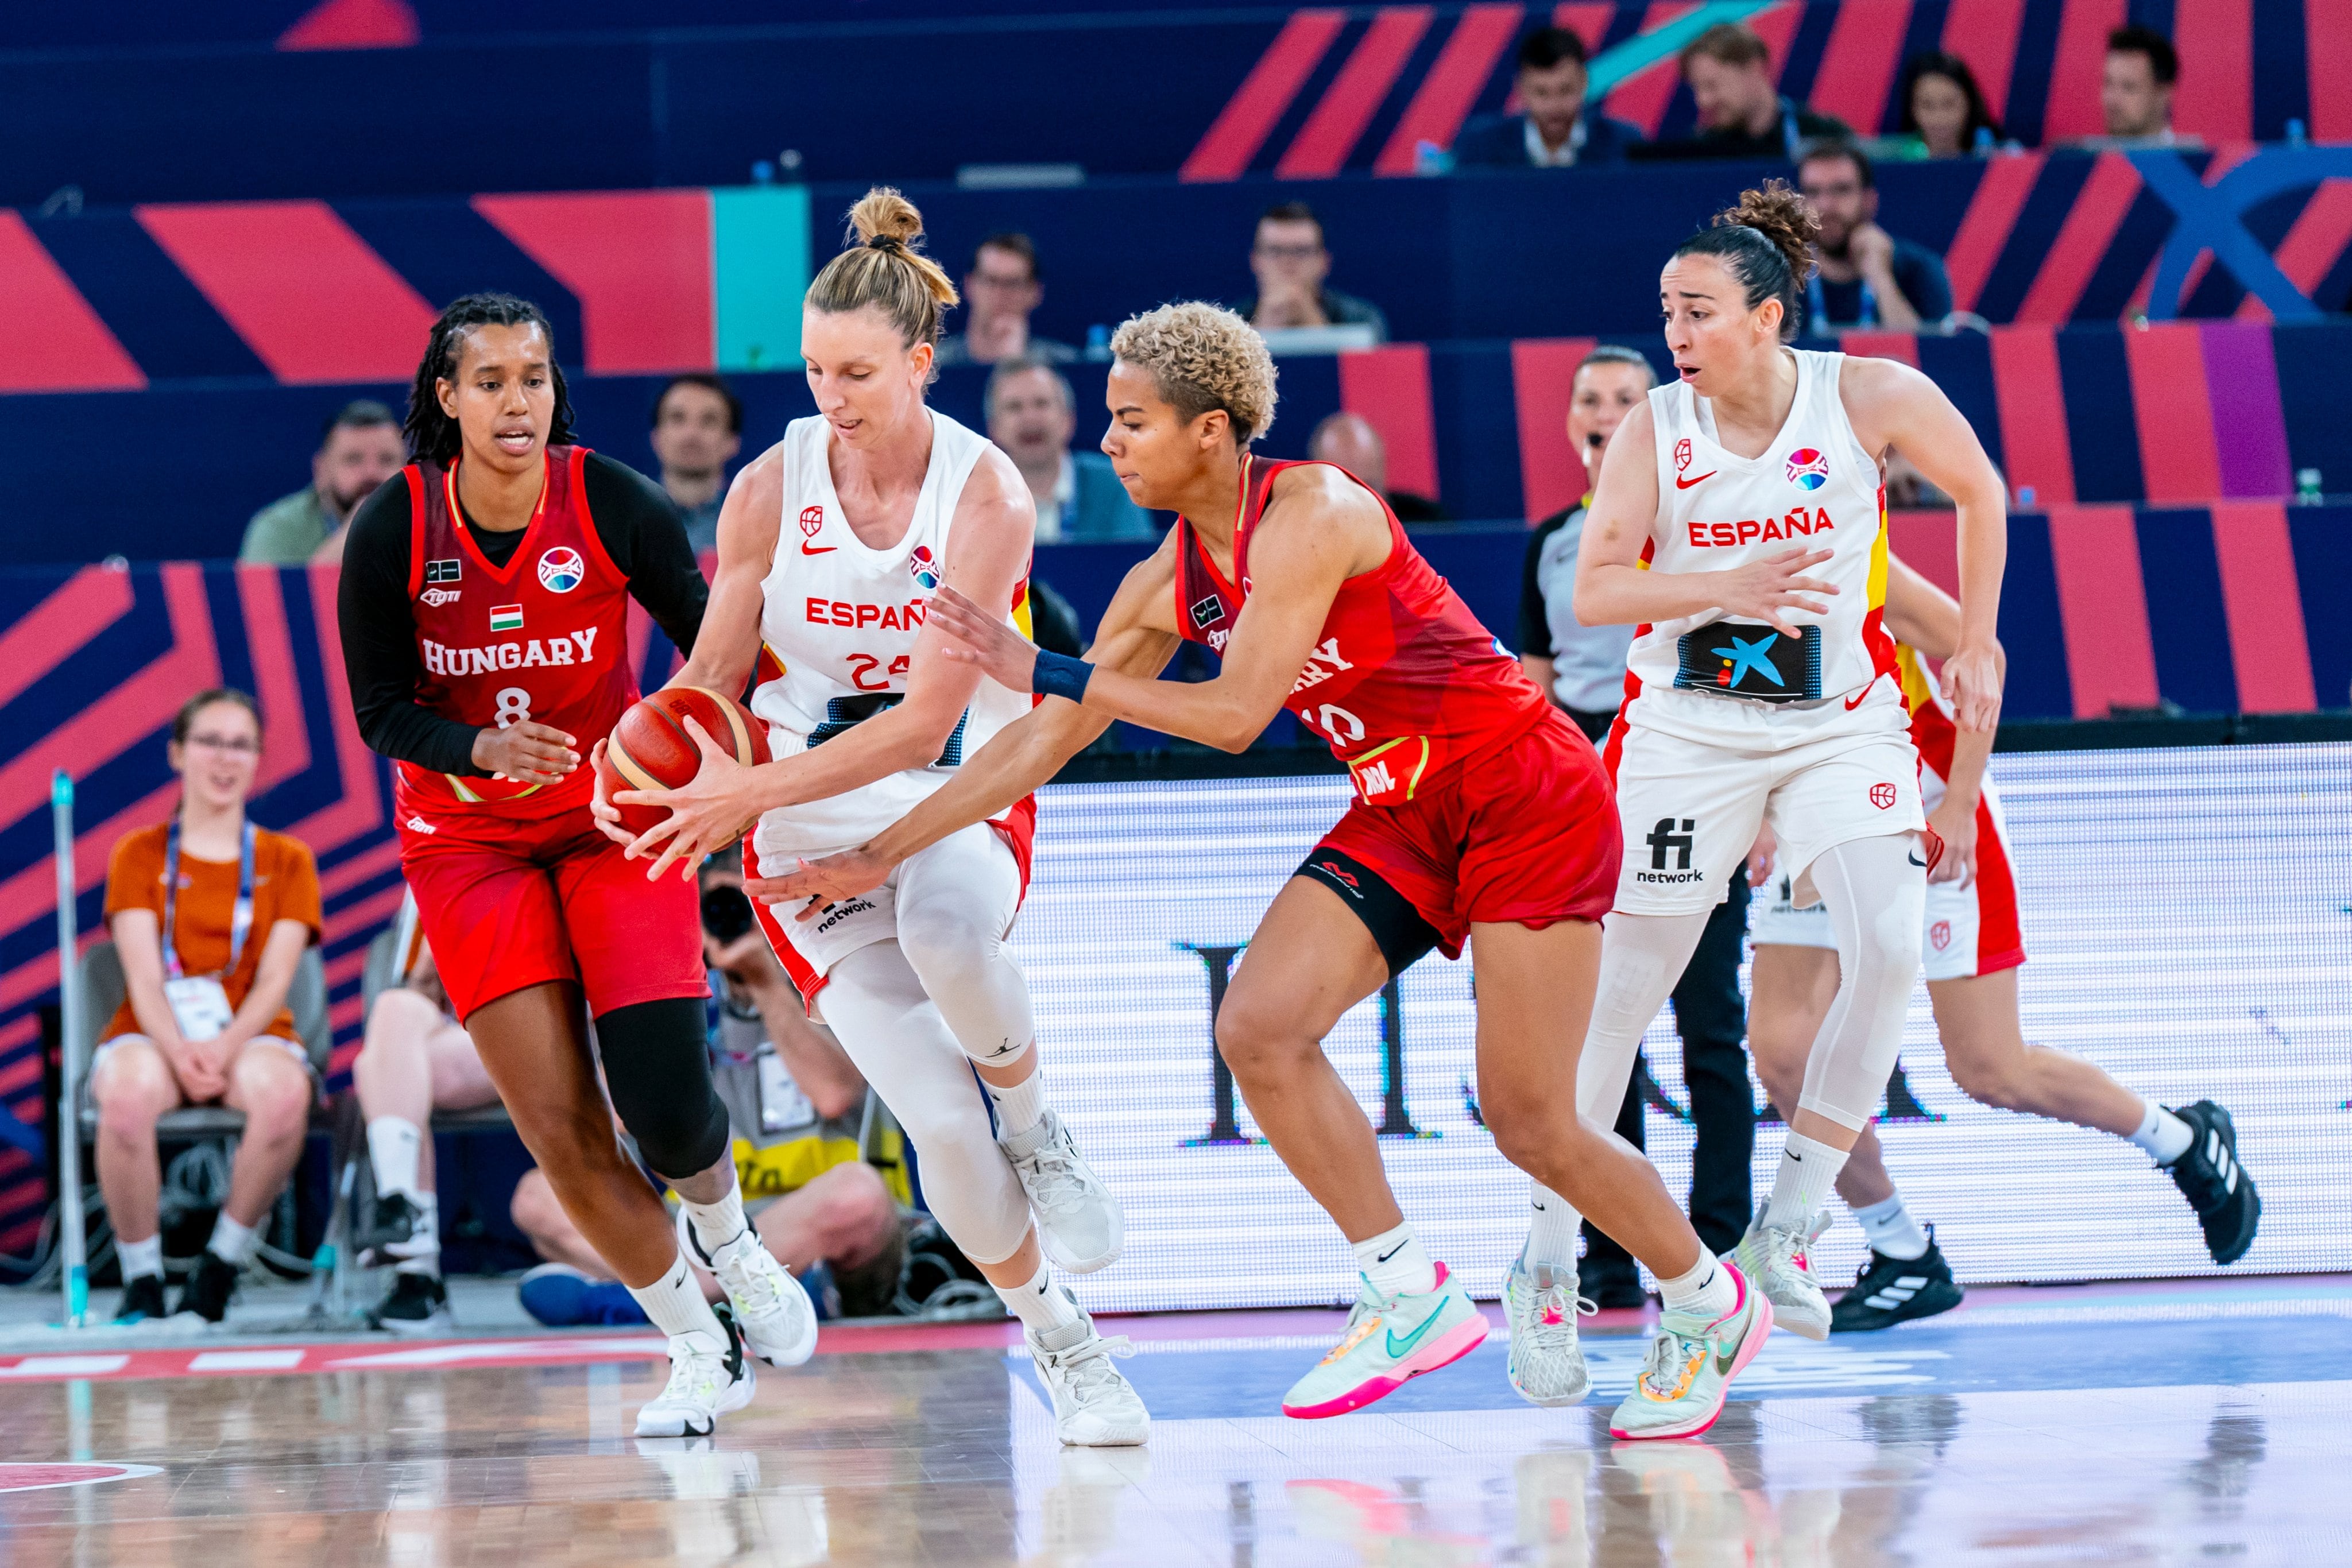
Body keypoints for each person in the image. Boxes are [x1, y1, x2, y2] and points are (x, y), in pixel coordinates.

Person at [757, 299, 1774, 1441]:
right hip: (1400, 803)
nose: (1109, 444)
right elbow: (1043, 737)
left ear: (1211, 429)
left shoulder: (1314, 509)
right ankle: (1403, 1285)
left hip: (1523, 794)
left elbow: (1237, 713)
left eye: (1131, 421)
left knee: (1532, 1121)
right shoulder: (1167, 578)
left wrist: (1036, 658)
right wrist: (882, 848)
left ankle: (1706, 1298)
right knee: (1256, 1026)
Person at [597, 190, 1146, 1448]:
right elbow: (713, 673)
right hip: (794, 809)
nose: (828, 395)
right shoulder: (765, 486)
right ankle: (1066, 1344)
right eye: (810, 370)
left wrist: (741, 794)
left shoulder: (986, 493)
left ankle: (1039, 1123)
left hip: (941, 784)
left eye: (853, 372)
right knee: (935, 1131)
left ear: (917, 361)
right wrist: (648, 752)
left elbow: (917, 726)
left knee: (954, 935)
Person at [336, 292, 811, 1439]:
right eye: (490, 380)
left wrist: (701, 744)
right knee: (558, 1129)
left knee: (659, 1096)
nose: (516, 401)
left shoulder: (607, 500)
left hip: (611, 817)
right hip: (465, 842)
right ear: (445, 399)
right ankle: (699, 1350)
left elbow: (715, 646)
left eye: (534, 378)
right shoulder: (394, 527)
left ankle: (733, 1247)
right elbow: (379, 713)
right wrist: (479, 747)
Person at [1548, 181, 2007, 1352]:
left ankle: (1785, 1233)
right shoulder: (1654, 427)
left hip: (1834, 726)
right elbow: (1598, 592)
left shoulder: (1867, 395)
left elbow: (1979, 488)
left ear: (1765, 315)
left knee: (1891, 948)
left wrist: (1981, 637)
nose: (1676, 334)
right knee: (1618, 997)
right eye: (1665, 313)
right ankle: (1545, 1264)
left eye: (1697, 310)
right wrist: (1721, 586)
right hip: (1687, 735)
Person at [1746, 556, 2259, 1329]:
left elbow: (1974, 651)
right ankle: (1902, 1250)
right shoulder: (1699, 548)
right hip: (1815, 823)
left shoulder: (1851, 554)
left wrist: (1956, 803)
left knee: (1990, 1066)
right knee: (1783, 1052)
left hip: (1927, 813)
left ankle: (2181, 1137)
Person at [1515, 344, 1753, 1309]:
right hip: (1583, 801)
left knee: (1710, 1031)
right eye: (1590, 399)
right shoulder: (1550, 544)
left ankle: (1724, 1246)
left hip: (1694, 789)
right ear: (1571, 421)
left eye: (1624, 397)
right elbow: (1531, 690)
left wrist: (1759, 798)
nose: (1605, 412)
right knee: (1598, 1035)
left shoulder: (1704, 519)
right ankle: (1614, 1256)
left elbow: (1745, 657)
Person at [513, 847, 912, 1326]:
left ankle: (657, 1302)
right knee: (537, 1196)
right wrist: (653, 967)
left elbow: (833, 1093)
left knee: (857, 1196)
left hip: (815, 1222)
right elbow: (615, 1115)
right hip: (701, 1225)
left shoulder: (836, 981)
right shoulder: (687, 993)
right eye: (714, 907)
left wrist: (766, 983)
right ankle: (741, 1296)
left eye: (752, 907)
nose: (733, 921)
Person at [95, 689, 322, 1325]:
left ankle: (219, 1267)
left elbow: (278, 975)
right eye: (209, 741)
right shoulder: (138, 853)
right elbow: (142, 975)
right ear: (177, 753)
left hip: (249, 1032)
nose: (225, 758)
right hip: (154, 1031)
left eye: (240, 744)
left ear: (257, 760)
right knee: (124, 1096)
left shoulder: (287, 859)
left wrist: (222, 1048)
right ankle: (141, 1277)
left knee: (283, 1097)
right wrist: (181, 1050)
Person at [346, 908, 500, 1335]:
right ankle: (409, 1235)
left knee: (382, 1069)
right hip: (454, 1036)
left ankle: (416, 1267)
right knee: (395, 1042)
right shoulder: (427, 865)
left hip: (529, 1028)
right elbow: (419, 988)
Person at [987, 357, 1157, 544]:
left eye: (1041, 403)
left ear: (1068, 420)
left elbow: (1139, 563)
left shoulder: (1115, 482)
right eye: (1014, 407)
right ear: (994, 428)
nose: (1030, 417)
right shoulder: (979, 494)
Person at [1796, 141, 1952, 332]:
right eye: (1813, 192)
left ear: (1869, 200)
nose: (1826, 206)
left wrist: (1880, 276)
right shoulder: (1783, 276)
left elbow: (1931, 356)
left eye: (1842, 190)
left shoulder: (1919, 269)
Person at [1641, 24, 1850, 161]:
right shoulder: (1700, 152)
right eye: (1696, 89)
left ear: (1754, 68)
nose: (1703, 101)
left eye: (1712, 86)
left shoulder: (1825, 135)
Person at [239, 401, 407, 567]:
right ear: (322, 472)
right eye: (353, 459)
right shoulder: (277, 528)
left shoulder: (431, 519)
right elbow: (269, 594)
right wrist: (355, 533)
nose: (371, 472)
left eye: (387, 460)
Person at [1452, 26, 1643, 168]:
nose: (1554, 106)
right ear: (1521, 90)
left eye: (1565, 90)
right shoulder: (1478, 146)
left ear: (1584, 83)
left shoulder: (1624, 144)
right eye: (1542, 93)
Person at [1239, 203, 1388, 343]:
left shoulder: (1362, 319)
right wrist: (1262, 327)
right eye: (1275, 251)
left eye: (1301, 251)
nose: (1288, 262)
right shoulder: (1228, 323)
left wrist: (1312, 322)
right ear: (1255, 261)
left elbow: (1368, 369)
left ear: (1324, 262)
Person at [934, 233, 1078, 369]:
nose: (1000, 293)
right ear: (969, 285)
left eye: (1012, 283)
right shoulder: (933, 366)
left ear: (1035, 292)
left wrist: (1015, 361)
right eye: (991, 281)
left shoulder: (1065, 366)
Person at [649, 374, 744, 554]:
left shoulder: (756, 523)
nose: (691, 434)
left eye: (708, 421)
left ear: (733, 442)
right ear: (656, 437)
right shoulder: (623, 521)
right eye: (678, 418)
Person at [1307, 412, 1446, 525]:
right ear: (1317, 479)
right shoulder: (1302, 533)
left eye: (1368, 487)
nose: (1359, 500)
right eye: (1344, 488)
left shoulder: (1430, 523)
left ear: (1382, 469)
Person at [2092, 25, 2189, 147]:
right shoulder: (2083, 162)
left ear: (2164, 94)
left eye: (2129, 87)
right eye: (2108, 84)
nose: (2112, 100)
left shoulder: (2196, 163)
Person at [1894, 52, 2002, 158]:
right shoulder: (1897, 160)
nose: (1939, 117)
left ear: (1970, 103)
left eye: (1949, 104)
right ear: (1912, 108)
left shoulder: (2004, 155)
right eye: (1927, 105)